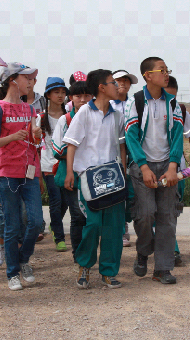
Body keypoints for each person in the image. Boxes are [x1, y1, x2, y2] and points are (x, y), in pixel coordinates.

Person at [63, 69, 127, 289]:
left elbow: (121, 145)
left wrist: (124, 169)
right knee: (92, 225)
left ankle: (109, 271)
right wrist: (70, 172)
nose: (117, 87)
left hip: (114, 177)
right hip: (89, 179)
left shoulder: (117, 114)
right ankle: (84, 265)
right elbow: (71, 143)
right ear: (101, 87)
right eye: (113, 83)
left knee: (114, 227)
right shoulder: (84, 113)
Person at [125, 57, 183, 285]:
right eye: (162, 70)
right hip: (143, 168)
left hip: (167, 167)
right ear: (148, 76)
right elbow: (131, 137)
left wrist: (172, 166)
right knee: (146, 214)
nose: (166, 74)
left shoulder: (172, 103)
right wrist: (144, 166)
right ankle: (143, 250)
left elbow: (178, 135)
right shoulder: (136, 102)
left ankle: (163, 269)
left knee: (167, 218)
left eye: (167, 70)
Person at [0, 63, 44, 292]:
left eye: (32, 78)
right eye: (27, 78)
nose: (31, 82)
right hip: (6, 174)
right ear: (13, 80)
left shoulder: (31, 110)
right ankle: (13, 272)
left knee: (36, 221)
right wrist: (13, 138)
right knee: (12, 225)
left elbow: (35, 142)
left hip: (29, 172)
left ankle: (23, 259)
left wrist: (37, 135)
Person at [51, 81, 92, 264]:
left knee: (91, 216)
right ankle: (78, 254)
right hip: (72, 175)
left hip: (92, 174)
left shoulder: (96, 118)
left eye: (86, 96)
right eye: (78, 96)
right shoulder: (65, 120)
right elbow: (57, 150)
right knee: (77, 215)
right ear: (71, 98)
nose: (82, 100)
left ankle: (89, 251)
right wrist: (79, 150)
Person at [165, 75, 190, 266]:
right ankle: (167, 247)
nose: (170, 103)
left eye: (173, 98)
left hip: (178, 171)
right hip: (154, 169)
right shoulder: (146, 108)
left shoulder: (180, 110)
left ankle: (172, 248)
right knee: (154, 211)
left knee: (172, 211)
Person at [39, 77, 69, 252]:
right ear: (48, 95)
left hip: (66, 164)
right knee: (56, 201)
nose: (60, 95)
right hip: (49, 165)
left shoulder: (70, 116)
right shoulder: (41, 118)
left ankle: (54, 224)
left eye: (63, 92)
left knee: (66, 200)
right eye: (56, 92)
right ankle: (59, 236)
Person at [111, 70, 139, 248]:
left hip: (133, 153)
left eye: (126, 81)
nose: (123, 83)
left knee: (132, 193)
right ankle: (121, 229)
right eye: (119, 80)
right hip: (113, 153)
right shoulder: (107, 105)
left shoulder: (134, 104)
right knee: (116, 194)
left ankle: (127, 220)